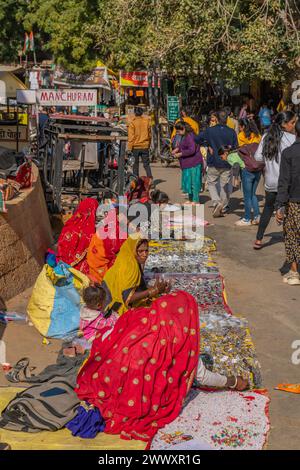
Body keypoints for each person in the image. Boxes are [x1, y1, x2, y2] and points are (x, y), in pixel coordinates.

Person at [75, 290, 248, 442]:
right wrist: (232, 381)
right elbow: (202, 376)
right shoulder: (181, 337)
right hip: (136, 395)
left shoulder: (139, 316)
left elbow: (109, 335)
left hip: (109, 379)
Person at [253, 111, 296, 249]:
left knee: (268, 208)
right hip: (286, 182)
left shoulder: (266, 136)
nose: (294, 126)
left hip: (270, 181)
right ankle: (289, 238)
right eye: (292, 122)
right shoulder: (291, 138)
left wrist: (269, 160)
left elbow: (257, 157)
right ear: (284, 124)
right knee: (288, 210)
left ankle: (259, 239)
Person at [102, 236, 171, 316]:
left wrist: (158, 289)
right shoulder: (130, 266)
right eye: (140, 251)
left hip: (109, 303)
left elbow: (137, 287)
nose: (144, 254)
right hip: (113, 309)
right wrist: (155, 290)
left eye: (146, 251)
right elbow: (127, 298)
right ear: (133, 250)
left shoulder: (129, 258)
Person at [195, 110, 238, 217]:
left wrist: (207, 144)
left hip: (213, 161)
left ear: (217, 119)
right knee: (224, 185)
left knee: (211, 183)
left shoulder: (210, 131)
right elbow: (235, 147)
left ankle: (216, 202)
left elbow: (197, 139)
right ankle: (223, 206)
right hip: (227, 162)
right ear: (227, 119)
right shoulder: (231, 132)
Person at [275, 119, 300, 285]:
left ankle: (294, 271)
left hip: (294, 201)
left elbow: (284, 181)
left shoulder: (289, 153)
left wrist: (280, 206)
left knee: (292, 235)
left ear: (295, 132)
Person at [57, 198, 98, 274]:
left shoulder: (69, 223)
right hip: (78, 267)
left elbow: (61, 243)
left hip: (62, 262)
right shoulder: (89, 231)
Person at [87, 208, 126, 283]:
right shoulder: (116, 231)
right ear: (117, 217)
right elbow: (116, 250)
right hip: (104, 265)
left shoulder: (103, 229)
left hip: (94, 264)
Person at [172, 121, 203, 205]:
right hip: (188, 163)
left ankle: (196, 200)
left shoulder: (190, 136)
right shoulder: (184, 136)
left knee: (194, 182)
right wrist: (177, 149)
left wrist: (180, 153)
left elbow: (191, 150)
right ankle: (190, 199)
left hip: (193, 162)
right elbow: (183, 145)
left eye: (178, 131)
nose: (177, 133)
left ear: (184, 129)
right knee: (188, 182)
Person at [127, 107, 153, 180]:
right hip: (145, 146)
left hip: (135, 147)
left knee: (135, 165)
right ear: (142, 113)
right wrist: (149, 144)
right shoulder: (146, 121)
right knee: (146, 165)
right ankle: (150, 179)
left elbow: (131, 137)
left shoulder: (132, 123)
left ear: (135, 113)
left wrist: (129, 148)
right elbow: (150, 135)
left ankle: (136, 181)